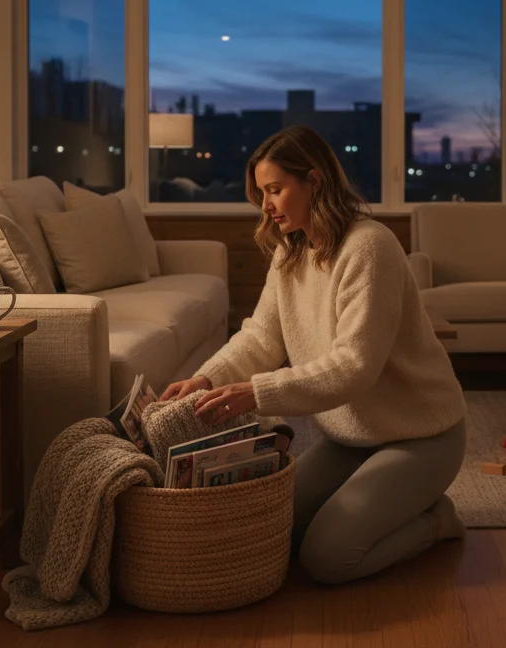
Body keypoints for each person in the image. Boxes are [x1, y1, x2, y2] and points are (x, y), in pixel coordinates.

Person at [160, 124, 468, 585]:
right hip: (350, 440)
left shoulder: (369, 246)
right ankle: (398, 505)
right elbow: (260, 338)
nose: (265, 205)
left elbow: (353, 368)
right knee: (278, 531)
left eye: (275, 190)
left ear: (315, 181)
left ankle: (437, 520)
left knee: (328, 557)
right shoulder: (291, 251)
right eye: (262, 192)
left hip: (421, 435)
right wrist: (206, 380)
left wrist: (255, 394)